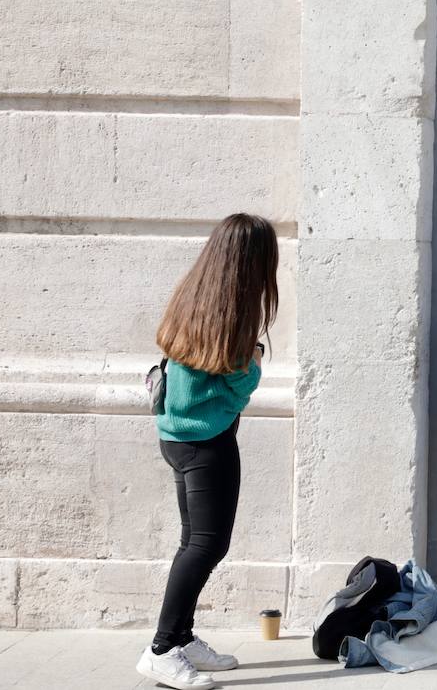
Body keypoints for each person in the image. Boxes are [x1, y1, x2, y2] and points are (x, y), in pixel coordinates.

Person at [135, 214, 279, 690]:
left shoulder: (193, 297)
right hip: (208, 442)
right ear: (253, 264)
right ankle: (160, 649)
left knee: (192, 540)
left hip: (175, 437)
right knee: (206, 545)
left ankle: (182, 637)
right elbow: (240, 386)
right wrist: (255, 361)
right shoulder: (233, 315)